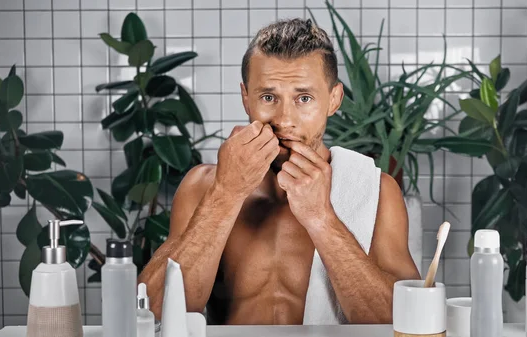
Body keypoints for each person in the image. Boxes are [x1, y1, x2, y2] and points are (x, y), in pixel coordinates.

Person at [137, 17, 420, 325]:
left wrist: (321, 219)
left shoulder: (376, 190)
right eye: (268, 97)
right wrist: (226, 193)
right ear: (246, 98)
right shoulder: (203, 186)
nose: (284, 119)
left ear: (334, 100)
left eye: (304, 98)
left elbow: (410, 320)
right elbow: (150, 315)